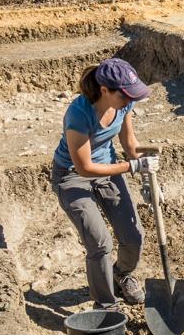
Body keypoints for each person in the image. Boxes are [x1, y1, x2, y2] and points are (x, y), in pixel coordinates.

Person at [51, 59, 159, 310]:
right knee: (100, 243)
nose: (129, 100)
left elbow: (129, 142)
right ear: (104, 91)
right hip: (71, 176)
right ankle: (105, 304)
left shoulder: (124, 104)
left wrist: (147, 177)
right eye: (125, 95)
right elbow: (84, 167)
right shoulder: (79, 113)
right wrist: (132, 167)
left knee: (133, 236)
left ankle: (121, 273)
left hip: (107, 170)